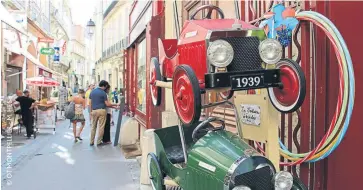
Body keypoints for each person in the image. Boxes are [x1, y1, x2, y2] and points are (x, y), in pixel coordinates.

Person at [89, 80, 118, 146]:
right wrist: (116, 105)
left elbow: (90, 103)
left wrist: (90, 111)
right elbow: (107, 104)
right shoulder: (103, 93)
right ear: (104, 86)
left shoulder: (92, 91)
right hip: (102, 110)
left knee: (93, 127)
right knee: (101, 127)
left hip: (94, 110)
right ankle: (99, 142)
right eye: (106, 86)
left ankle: (91, 141)